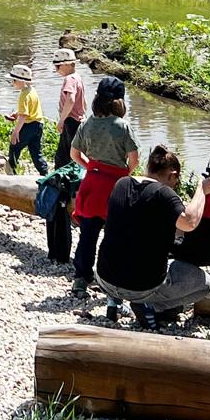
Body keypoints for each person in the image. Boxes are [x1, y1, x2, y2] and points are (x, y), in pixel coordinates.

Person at [95, 144, 210, 330]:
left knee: (125, 245)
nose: (175, 186)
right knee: (205, 285)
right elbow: (189, 222)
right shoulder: (164, 194)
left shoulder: (122, 184)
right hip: (140, 287)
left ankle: (115, 302)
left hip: (104, 277)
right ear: (172, 175)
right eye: (176, 181)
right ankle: (149, 304)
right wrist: (201, 190)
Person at [69, 76, 139, 296]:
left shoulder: (87, 123)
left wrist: (90, 166)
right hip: (115, 186)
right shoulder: (123, 126)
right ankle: (110, 280)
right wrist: (125, 173)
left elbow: (74, 154)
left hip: (92, 182)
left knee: (87, 235)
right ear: (120, 101)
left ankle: (81, 279)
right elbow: (134, 159)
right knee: (114, 236)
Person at [6, 63, 46, 174]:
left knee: (14, 146)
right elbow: (28, 110)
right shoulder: (32, 91)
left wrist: (15, 132)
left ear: (21, 81)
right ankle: (45, 173)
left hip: (29, 125)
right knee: (36, 151)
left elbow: (24, 116)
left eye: (13, 81)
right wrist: (17, 113)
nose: (12, 83)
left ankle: (12, 171)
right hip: (38, 124)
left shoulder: (23, 95)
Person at [54, 48, 87, 169]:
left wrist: (61, 120)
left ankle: (88, 172)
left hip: (71, 120)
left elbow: (71, 99)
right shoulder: (77, 77)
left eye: (58, 66)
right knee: (67, 152)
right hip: (77, 120)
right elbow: (83, 100)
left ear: (67, 64)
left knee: (69, 154)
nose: (56, 69)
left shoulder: (70, 79)